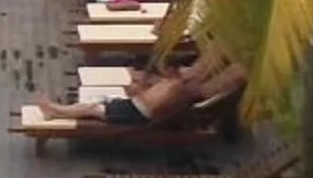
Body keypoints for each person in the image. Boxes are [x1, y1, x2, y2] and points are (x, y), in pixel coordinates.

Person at [31, 46, 245, 127]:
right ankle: (55, 109)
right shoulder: (179, 86)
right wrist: (141, 84)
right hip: (136, 107)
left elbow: (153, 109)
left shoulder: (178, 89)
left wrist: (137, 88)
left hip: (136, 112)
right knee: (93, 106)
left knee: (92, 108)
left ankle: (54, 111)